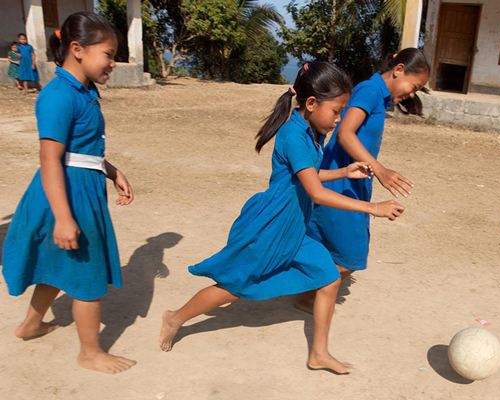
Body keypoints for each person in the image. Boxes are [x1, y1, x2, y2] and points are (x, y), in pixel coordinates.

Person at [158, 62, 405, 375]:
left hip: (295, 226)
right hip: (272, 226)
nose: (339, 119)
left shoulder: (311, 131)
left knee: (329, 277)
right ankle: (174, 318)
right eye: (336, 111)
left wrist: (344, 171)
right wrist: (373, 209)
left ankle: (318, 353)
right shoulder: (293, 135)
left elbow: (307, 175)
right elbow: (314, 192)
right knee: (234, 287)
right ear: (312, 104)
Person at [2, 12, 136, 374]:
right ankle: (90, 352)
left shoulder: (85, 90)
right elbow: (50, 158)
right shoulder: (58, 95)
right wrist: (63, 217)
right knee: (87, 275)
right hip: (65, 197)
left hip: (82, 188)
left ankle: (31, 324)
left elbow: (84, 149)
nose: (112, 63)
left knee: (58, 264)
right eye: (107, 54)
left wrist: (112, 171)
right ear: (77, 49)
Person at [296, 48, 430, 312]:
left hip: (352, 180)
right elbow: (345, 133)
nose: (412, 93)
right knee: (351, 255)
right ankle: (309, 294)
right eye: (414, 86)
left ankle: (311, 291)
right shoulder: (370, 90)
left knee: (335, 247)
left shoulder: (378, 97)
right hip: (341, 182)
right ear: (399, 70)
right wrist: (380, 170)